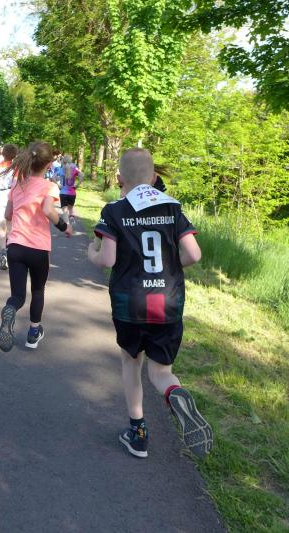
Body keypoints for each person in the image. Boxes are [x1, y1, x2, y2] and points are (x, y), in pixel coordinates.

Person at [88, 147, 213, 460]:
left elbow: (107, 260)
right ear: (155, 176)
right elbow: (194, 254)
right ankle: (174, 392)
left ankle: (138, 433)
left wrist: (91, 253)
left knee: (131, 363)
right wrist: (171, 266)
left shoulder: (114, 211)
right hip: (167, 301)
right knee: (161, 372)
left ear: (119, 178)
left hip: (130, 302)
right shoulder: (172, 207)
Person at [0, 141, 73, 352]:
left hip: (15, 247)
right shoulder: (49, 186)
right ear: (48, 165)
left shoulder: (17, 184)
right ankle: (33, 333)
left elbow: (7, 214)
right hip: (38, 248)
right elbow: (48, 210)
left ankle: (10, 309)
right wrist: (64, 226)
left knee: (18, 296)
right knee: (38, 290)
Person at [0, 144, 18, 270]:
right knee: (11, 227)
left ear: (3, 154)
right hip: (12, 198)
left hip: (0, 197)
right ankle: (11, 252)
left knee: (2, 227)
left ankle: (3, 253)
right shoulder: (16, 168)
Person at [55, 155, 84, 224]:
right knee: (70, 208)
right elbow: (82, 175)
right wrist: (77, 185)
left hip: (63, 193)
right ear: (70, 162)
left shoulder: (61, 169)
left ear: (63, 161)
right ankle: (71, 217)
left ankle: (67, 225)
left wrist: (58, 185)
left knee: (65, 210)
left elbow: (53, 177)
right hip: (72, 193)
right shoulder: (74, 169)